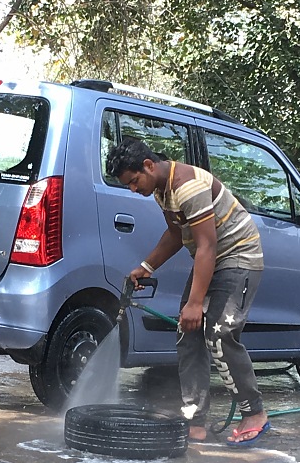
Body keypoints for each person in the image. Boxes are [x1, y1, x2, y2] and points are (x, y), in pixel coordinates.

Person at [106, 136, 270, 446]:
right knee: (187, 332)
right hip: (213, 259)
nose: (132, 189)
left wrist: (196, 303)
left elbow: (207, 245)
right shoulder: (161, 189)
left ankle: (254, 414)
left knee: (218, 334)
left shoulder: (188, 186)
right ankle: (195, 421)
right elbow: (175, 234)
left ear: (148, 165)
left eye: (133, 181)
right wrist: (147, 265)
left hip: (239, 257)